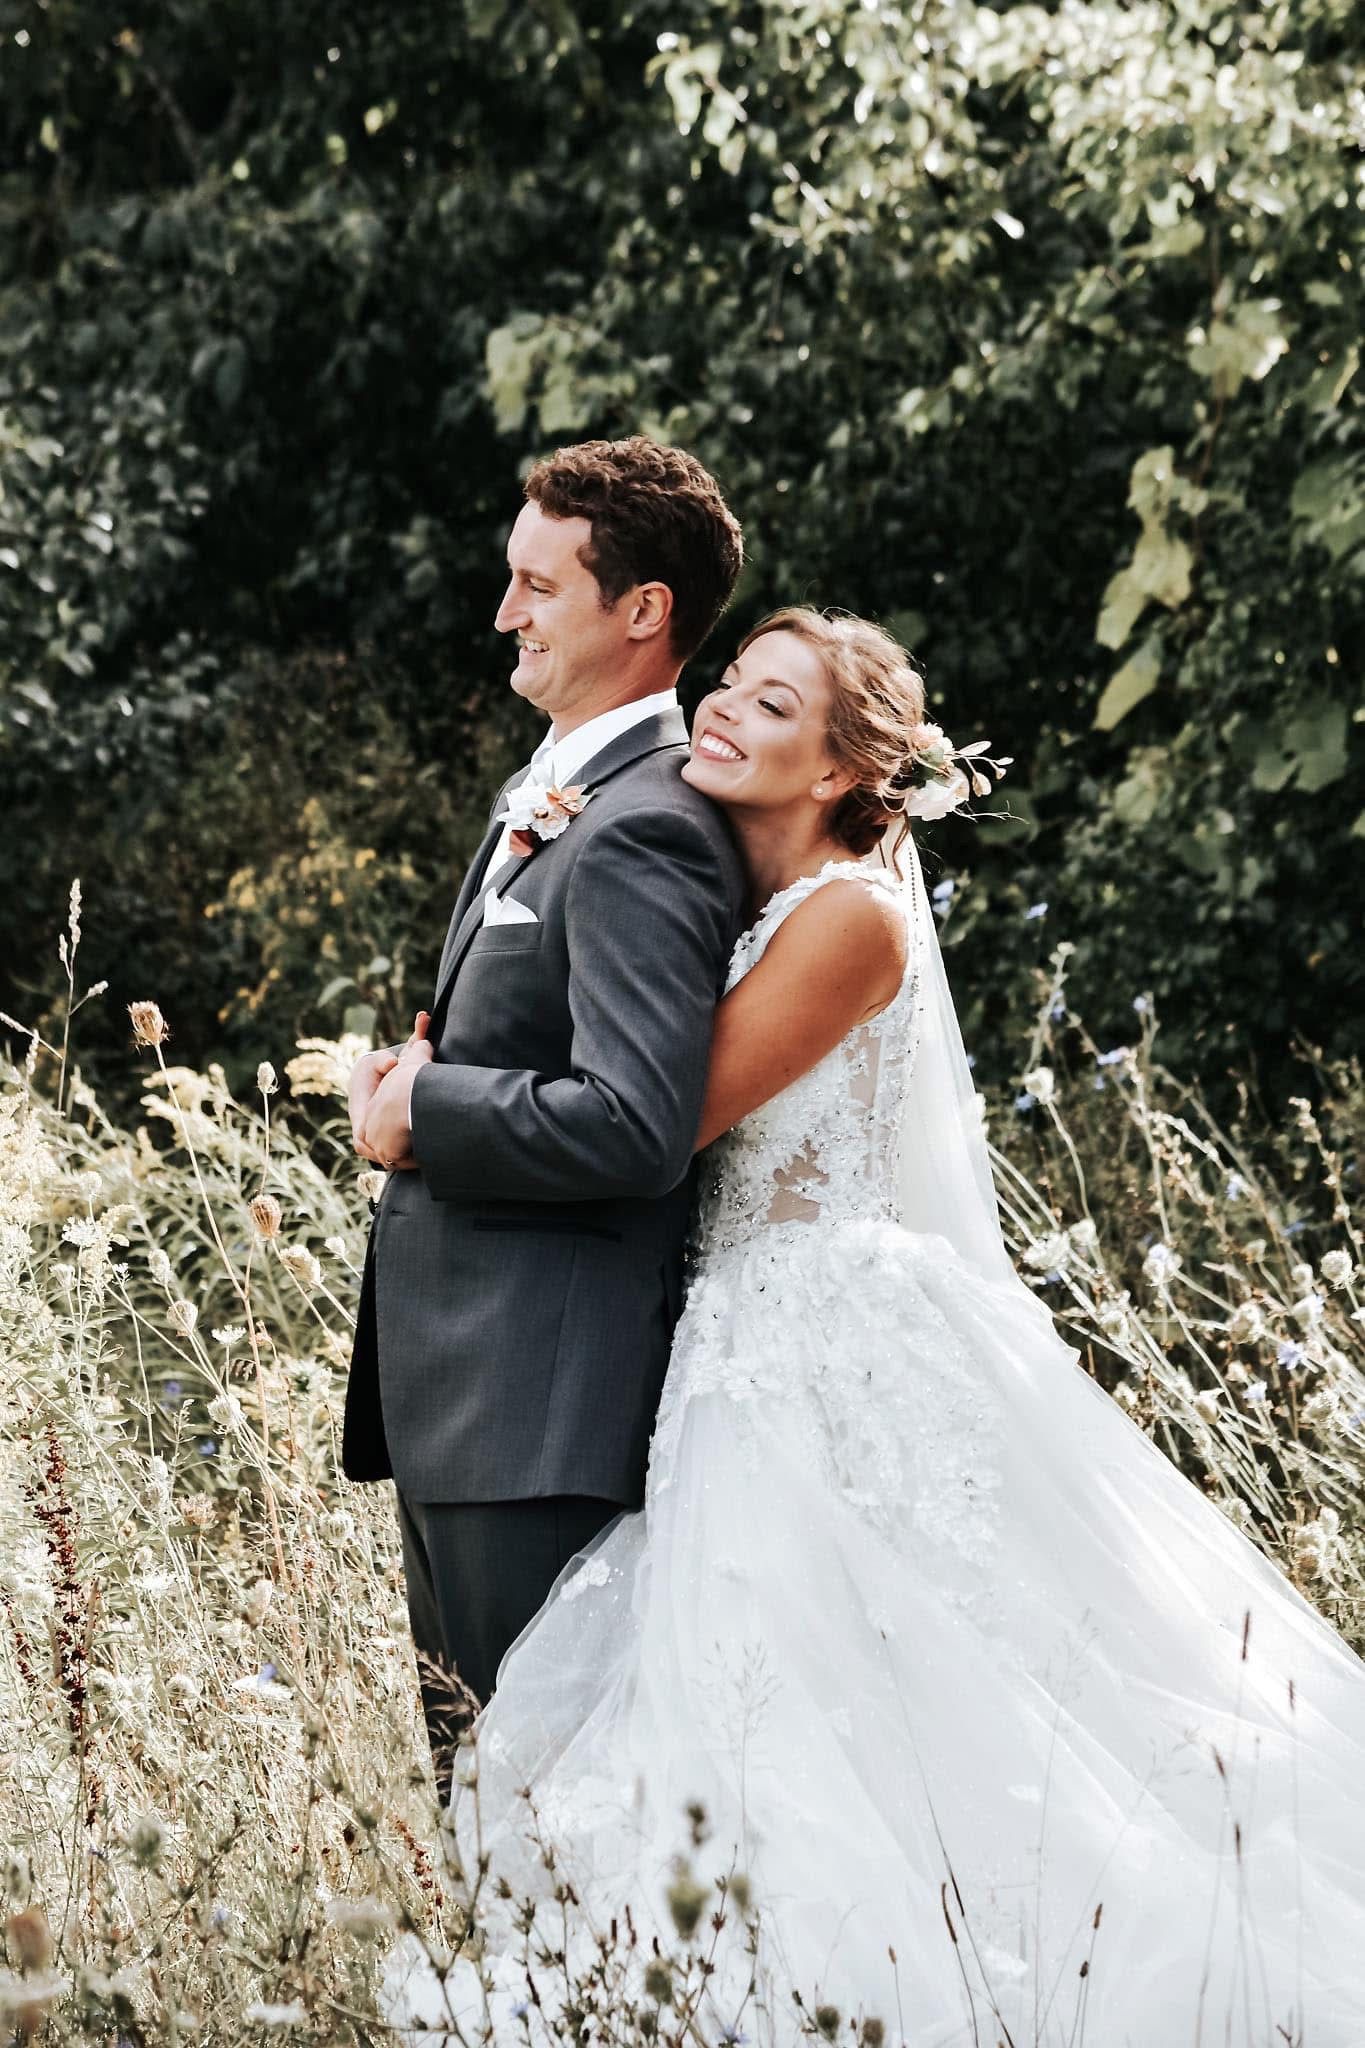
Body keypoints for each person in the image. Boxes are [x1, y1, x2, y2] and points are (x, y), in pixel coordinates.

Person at [394, 607, 1365, 2046]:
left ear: (845, 769)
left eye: (770, 708)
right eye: (728, 685)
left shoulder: (850, 916)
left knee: (864, 1668)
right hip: (732, 1333)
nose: (719, 713)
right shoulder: (745, 885)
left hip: (817, 1338)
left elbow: (665, 1120)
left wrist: (430, 1111)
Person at [341, 437, 746, 1800]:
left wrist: (425, 1109)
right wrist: (424, 1075)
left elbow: (634, 1122)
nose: (503, 612)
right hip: (472, 1399)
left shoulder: (645, 825)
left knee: (541, 1824)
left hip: (536, 1415)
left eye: (535, 585)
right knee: (486, 1817)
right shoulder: (569, 789)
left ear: (641, 612)